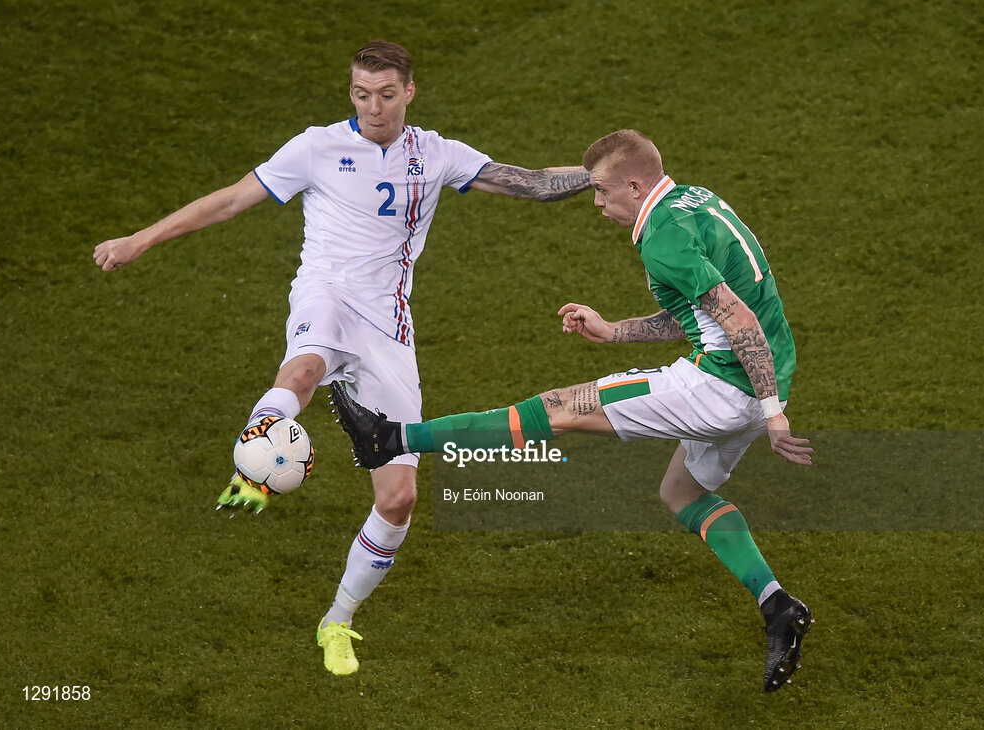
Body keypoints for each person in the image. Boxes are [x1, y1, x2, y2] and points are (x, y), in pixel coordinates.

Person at [92, 40, 590, 677]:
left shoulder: (438, 154)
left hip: (388, 325)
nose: (373, 107)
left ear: (410, 92)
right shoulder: (315, 148)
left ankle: (337, 619)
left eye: (386, 95)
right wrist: (141, 239)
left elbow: (534, 185)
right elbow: (230, 200)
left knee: (399, 498)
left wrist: (607, 174)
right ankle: (258, 460)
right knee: (303, 370)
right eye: (361, 94)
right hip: (325, 294)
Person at [330, 128, 814, 692]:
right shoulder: (694, 201)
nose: (597, 203)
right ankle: (778, 606)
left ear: (635, 186)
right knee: (681, 494)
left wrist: (772, 414)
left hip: (726, 389)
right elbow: (699, 313)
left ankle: (390, 439)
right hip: (768, 375)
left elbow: (738, 320)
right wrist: (614, 331)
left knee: (559, 409)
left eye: (603, 190)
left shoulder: (663, 239)